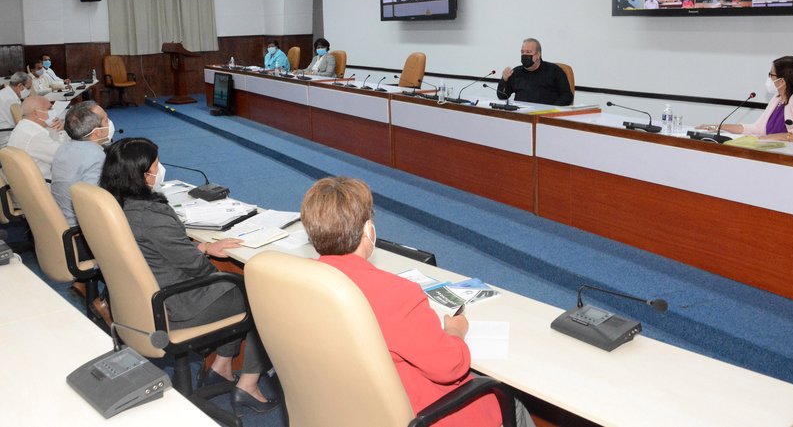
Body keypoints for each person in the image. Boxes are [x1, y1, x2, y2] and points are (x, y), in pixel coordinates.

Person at [300, 177, 535, 427]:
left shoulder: (300, 282)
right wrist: (454, 332)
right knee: (508, 400)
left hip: (343, 406)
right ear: (369, 230)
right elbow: (450, 368)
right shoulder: (395, 294)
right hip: (413, 412)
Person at [99, 138, 280, 415]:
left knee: (235, 284)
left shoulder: (114, 203)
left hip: (145, 299)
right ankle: (249, 383)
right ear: (141, 175)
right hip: (179, 304)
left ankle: (222, 364)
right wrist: (204, 255)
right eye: (156, 166)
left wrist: (203, 246)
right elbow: (197, 268)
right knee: (262, 296)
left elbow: (158, 250)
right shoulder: (150, 214)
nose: (160, 171)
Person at [696, 56, 793, 144]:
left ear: (783, 80)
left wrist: (782, 137)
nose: (769, 78)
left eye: (771, 75)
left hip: (791, 159)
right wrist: (717, 127)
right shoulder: (777, 99)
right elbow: (757, 128)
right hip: (771, 153)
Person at [51, 101, 112, 226]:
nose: (109, 123)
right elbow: (93, 203)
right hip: (80, 228)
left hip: (61, 218)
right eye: (106, 120)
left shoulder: (64, 147)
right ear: (96, 133)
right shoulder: (95, 156)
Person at [497, 38, 573, 106]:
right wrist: (504, 80)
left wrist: (552, 109)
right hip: (521, 115)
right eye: (522, 52)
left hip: (544, 115)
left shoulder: (554, 70)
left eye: (528, 52)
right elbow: (502, 96)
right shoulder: (516, 72)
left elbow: (567, 96)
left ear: (538, 55)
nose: (525, 55)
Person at [7, 95, 68, 179]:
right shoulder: (35, 135)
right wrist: (62, 131)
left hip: (27, 184)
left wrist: (56, 130)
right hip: (47, 185)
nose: (53, 111)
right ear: (36, 113)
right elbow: (66, 157)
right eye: (49, 108)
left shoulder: (23, 126)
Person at [0, 71, 31, 148]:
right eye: (28, 88)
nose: (29, 92)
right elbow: (19, 123)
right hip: (6, 137)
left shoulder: (6, 93)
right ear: (20, 86)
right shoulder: (9, 99)